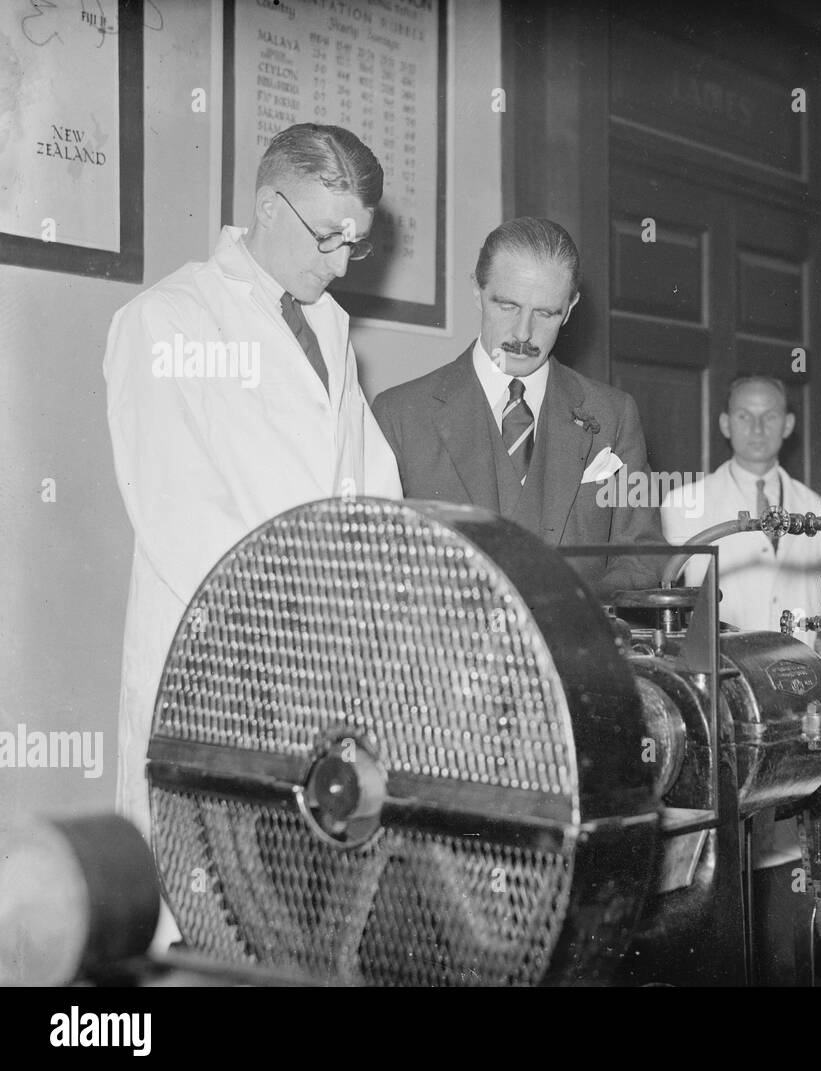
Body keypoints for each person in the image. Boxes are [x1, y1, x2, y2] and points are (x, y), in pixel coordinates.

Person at [104, 124, 401, 838]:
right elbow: (179, 516)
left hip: (313, 662)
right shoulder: (168, 319)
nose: (340, 264)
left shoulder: (329, 327)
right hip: (218, 654)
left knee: (285, 891)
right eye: (327, 236)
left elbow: (370, 484)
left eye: (354, 244)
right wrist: (286, 629)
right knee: (196, 881)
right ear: (269, 207)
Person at [373, 217, 663, 593]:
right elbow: (378, 566)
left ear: (571, 308)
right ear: (477, 291)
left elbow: (642, 556)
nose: (524, 334)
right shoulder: (399, 414)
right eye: (508, 306)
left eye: (546, 313)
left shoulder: (614, 415)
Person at [659, 376, 821, 646]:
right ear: (725, 424)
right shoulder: (683, 503)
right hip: (723, 667)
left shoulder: (815, 506)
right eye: (744, 416)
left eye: (769, 416)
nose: (757, 429)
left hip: (803, 668)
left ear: (788, 424)